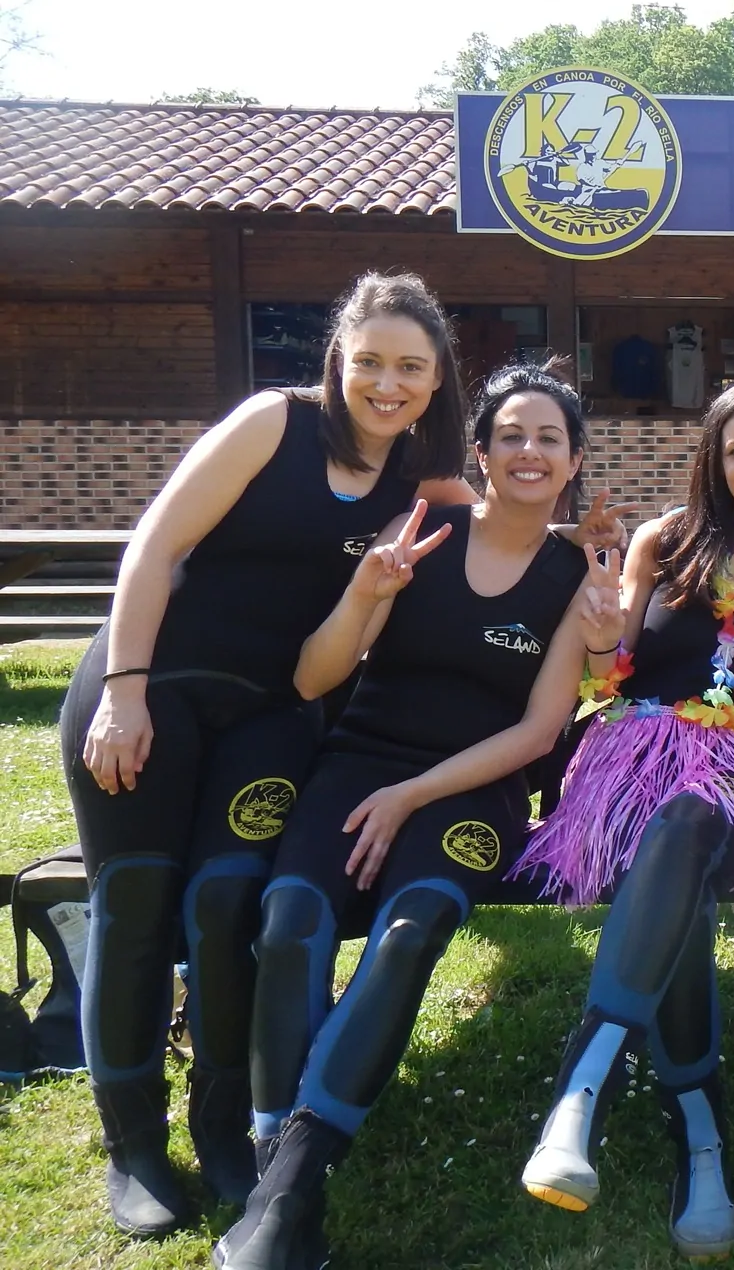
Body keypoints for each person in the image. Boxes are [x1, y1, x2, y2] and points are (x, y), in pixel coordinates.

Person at [58, 271, 472, 1237]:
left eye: (410, 367)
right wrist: (123, 693)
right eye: (369, 360)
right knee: (137, 904)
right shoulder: (271, 424)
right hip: (153, 686)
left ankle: (221, 1128)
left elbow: (510, 516)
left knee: (223, 901)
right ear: (339, 357)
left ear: (436, 377)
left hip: (276, 711)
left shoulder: (418, 475)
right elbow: (153, 548)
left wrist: (614, 548)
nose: (386, 383)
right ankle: (134, 1147)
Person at [213, 361, 615, 1269]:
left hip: (473, 790)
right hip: (357, 762)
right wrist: (367, 593)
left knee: (408, 930)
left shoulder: (572, 575)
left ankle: (293, 1184)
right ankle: (279, 1149)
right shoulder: (419, 533)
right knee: (291, 921)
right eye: (509, 433)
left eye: (549, 437)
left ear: (574, 459)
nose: (528, 450)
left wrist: (412, 798)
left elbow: (539, 730)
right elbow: (315, 678)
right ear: (477, 452)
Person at [517, 377, 734, 1262]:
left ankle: (584, 1088)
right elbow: (609, 679)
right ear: (714, 461)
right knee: (673, 850)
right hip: (625, 756)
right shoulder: (662, 542)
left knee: (687, 819)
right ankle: (699, 1141)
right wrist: (600, 631)